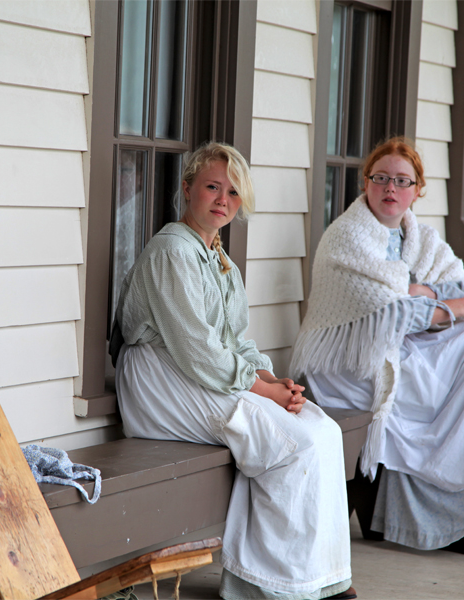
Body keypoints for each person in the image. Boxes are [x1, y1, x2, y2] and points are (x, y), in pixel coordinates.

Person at [290, 137, 464, 559]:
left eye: (402, 181)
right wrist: (445, 304)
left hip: (403, 347)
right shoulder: (346, 237)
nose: (390, 188)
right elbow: (390, 311)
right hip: (352, 367)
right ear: (366, 183)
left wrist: (420, 292)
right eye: (381, 178)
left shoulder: (418, 237)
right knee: (445, 394)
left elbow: (460, 286)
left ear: (417, 190)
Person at [111, 142, 357, 599]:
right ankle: (268, 584)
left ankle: (322, 580)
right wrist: (263, 393)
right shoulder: (172, 252)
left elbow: (237, 341)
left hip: (200, 374)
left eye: (234, 192)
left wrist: (272, 380)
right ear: (188, 189)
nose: (223, 200)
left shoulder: (221, 260)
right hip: (161, 380)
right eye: (212, 187)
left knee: (322, 431)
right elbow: (197, 349)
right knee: (292, 442)